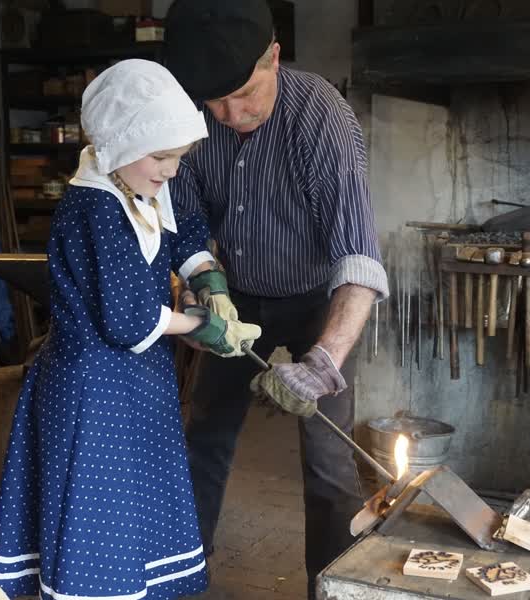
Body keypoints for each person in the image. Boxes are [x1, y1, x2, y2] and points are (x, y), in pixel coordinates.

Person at [0, 59, 261, 600]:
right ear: (120, 142)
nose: (171, 171)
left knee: (135, 509)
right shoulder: (96, 206)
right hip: (96, 389)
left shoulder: (136, 181)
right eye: (162, 157)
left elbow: (182, 234)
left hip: (135, 382)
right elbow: (127, 317)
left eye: (178, 158)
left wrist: (210, 283)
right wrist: (205, 328)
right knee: (104, 517)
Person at [164, 1, 389, 595]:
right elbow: (182, 222)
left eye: (243, 94)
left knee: (328, 462)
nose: (229, 115)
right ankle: (179, 578)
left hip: (319, 304)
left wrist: (324, 361)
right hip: (235, 297)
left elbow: (358, 257)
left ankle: (331, 589)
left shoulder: (321, 117)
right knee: (203, 438)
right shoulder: (194, 115)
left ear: (274, 57)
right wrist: (201, 287)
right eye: (214, 102)